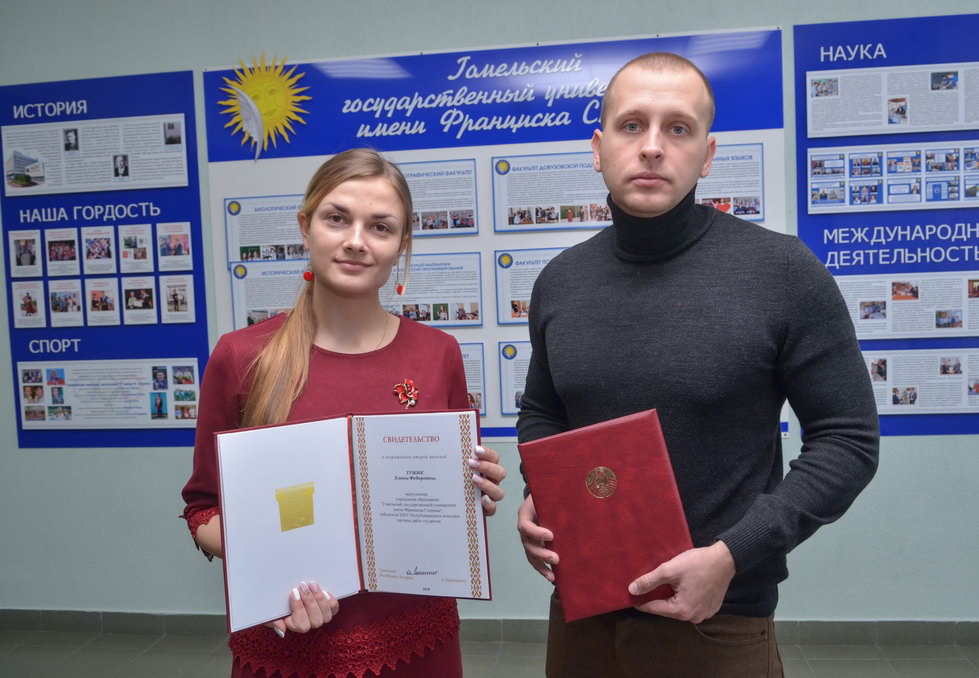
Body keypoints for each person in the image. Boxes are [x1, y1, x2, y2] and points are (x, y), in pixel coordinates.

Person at [516, 53, 879, 677]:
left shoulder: (782, 272)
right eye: (632, 125)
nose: (652, 147)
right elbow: (544, 412)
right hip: (582, 615)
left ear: (707, 155)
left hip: (719, 620)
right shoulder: (560, 281)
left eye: (678, 128)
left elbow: (849, 440)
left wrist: (733, 554)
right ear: (599, 148)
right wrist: (540, 492)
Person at [181, 148, 506, 678]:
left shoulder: (437, 352)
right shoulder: (242, 356)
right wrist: (270, 572)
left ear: (401, 245)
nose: (356, 240)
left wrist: (475, 492)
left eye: (380, 227)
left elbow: (451, 495)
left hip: (417, 641)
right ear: (305, 227)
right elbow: (203, 509)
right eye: (337, 218)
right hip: (289, 648)